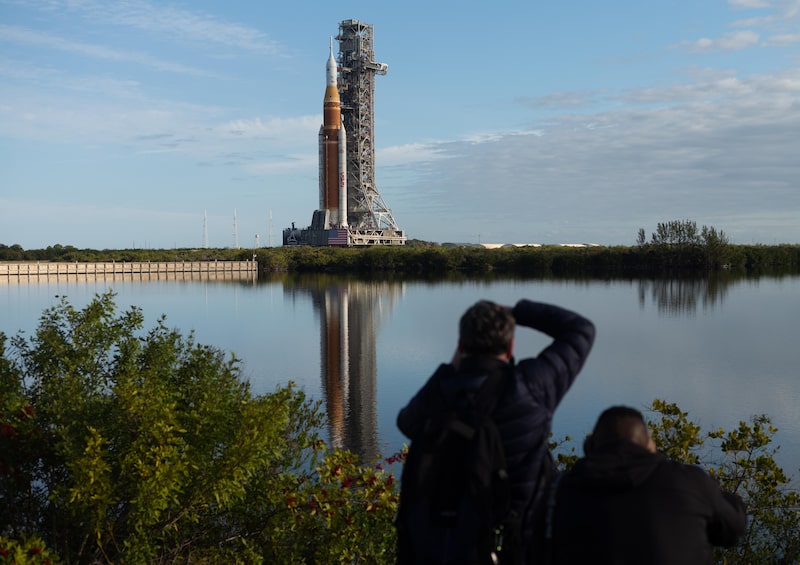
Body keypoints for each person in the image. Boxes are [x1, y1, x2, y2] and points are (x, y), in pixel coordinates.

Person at [396, 299, 596, 563]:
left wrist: (451, 367)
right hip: (517, 546)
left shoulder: (439, 393)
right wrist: (518, 312)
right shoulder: (531, 388)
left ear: (460, 345)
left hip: (444, 550)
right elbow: (581, 331)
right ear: (511, 346)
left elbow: (405, 422)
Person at [549, 406, 747, 565]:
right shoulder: (689, 482)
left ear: (590, 447)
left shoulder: (560, 492)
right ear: (649, 444)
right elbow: (734, 527)